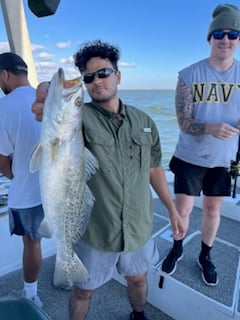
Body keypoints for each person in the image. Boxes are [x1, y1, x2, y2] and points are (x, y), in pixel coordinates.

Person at [32, 39, 185, 320]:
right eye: (89, 78)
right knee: (83, 291)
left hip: (138, 226)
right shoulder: (78, 118)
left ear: (118, 75)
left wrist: (173, 209)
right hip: (95, 231)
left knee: (138, 280)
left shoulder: (145, 122)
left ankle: (138, 315)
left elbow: (154, 169)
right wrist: (45, 100)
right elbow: (48, 112)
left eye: (103, 72)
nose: (96, 81)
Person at [161, 3, 240, 287]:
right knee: (182, 211)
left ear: (239, 39)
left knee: (212, 211)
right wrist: (211, 127)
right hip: (190, 157)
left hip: (224, 159)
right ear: (210, 38)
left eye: (233, 34)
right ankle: (177, 247)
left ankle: (205, 256)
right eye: (219, 33)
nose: (226, 40)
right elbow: (183, 121)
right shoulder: (188, 75)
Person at [0, 52, 46, 307]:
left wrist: (11, 174)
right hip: (56, 189)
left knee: (32, 243)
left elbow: (2, 160)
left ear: (4, 74)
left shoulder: (3, 107)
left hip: (28, 193)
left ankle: (31, 295)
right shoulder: (47, 101)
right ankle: (69, 278)